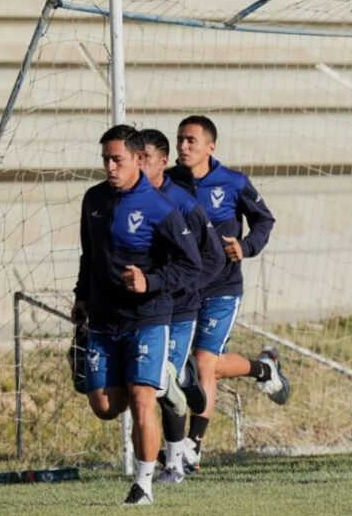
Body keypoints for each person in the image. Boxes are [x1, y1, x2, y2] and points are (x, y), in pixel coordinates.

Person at [72, 124, 202, 506]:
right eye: (106, 160)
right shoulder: (93, 199)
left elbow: (191, 265)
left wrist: (151, 281)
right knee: (105, 407)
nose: (110, 167)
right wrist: (82, 297)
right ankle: (158, 380)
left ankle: (143, 486)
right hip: (104, 321)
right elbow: (89, 255)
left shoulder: (161, 207)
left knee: (142, 398)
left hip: (148, 318)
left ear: (138, 159)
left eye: (118, 160)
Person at [165, 115, 289, 473]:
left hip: (222, 287)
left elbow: (264, 220)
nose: (183, 146)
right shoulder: (168, 183)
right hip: (180, 289)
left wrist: (245, 246)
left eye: (191, 140)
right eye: (180, 139)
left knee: (204, 362)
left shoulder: (233, 182)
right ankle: (263, 368)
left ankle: (193, 447)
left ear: (211, 146)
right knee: (197, 366)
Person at [138, 129, 227, 483]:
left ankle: (174, 465)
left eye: (144, 158)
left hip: (178, 310)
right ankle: (186, 377)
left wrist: (185, 289)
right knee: (149, 384)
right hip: (142, 309)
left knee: (164, 384)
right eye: (134, 157)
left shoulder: (184, 205)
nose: (137, 164)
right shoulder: (123, 201)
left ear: (162, 162)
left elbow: (214, 256)